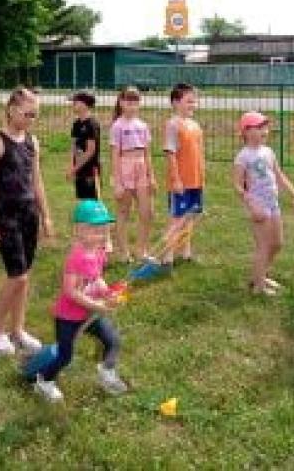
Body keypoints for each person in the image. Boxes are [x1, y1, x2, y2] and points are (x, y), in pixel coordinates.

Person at [0, 87, 54, 356]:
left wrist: (45, 215)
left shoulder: (32, 142)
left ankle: (18, 329)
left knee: (24, 278)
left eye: (35, 116)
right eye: (27, 114)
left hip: (28, 215)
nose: (30, 120)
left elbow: (37, 181)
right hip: (6, 215)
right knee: (17, 276)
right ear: (11, 110)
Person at [33, 199, 127, 403]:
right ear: (79, 230)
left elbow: (96, 278)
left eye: (104, 229)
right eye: (95, 230)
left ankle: (107, 372)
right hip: (69, 317)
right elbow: (70, 292)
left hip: (91, 314)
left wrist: (106, 293)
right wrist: (97, 305)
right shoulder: (76, 257)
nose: (101, 235)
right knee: (65, 355)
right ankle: (44, 380)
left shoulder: (99, 251)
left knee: (113, 340)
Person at [132, 83, 204, 278]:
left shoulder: (195, 125)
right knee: (177, 219)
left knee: (189, 217)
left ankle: (185, 252)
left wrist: (201, 176)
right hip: (180, 182)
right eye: (189, 101)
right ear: (175, 102)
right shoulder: (173, 124)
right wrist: (176, 179)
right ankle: (167, 257)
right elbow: (170, 154)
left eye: (194, 101)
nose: (193, 105)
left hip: (196, 181)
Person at [232, 111, 294, 296]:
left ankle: (259, 275)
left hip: (273, 203)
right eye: (259, 127)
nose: (265, 131)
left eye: (266, 127)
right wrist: (251, 203)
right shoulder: (243, 156)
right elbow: (237, 185)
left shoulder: (268, 151)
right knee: (263, 246)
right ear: (246, 131)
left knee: (277, 244)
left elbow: (279, 175)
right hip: (258, 207)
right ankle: (258, 287)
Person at [109, 86, 156, 264]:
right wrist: (118, 181)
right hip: (125, 167)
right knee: (123, 211)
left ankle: (141, 251)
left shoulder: (143, 125)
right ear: (121, 103)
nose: (132, 105)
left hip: (142, 168)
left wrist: (151, 176)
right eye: (128, 101)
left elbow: (147, 152)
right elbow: (114, 154)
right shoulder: (117, 126)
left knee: (147, 212)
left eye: (135, 101)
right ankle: (123, 253)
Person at [66, 91, 101, 201]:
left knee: (92, 200)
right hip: (79, 168)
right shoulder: (76, 124)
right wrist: (71, 165)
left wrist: (75, 168)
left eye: (76, 102)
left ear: (84, 104)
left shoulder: (92, 124)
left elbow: (90, 151)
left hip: (90, 169)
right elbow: (74, 146)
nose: (73, 104)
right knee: (82, 199)